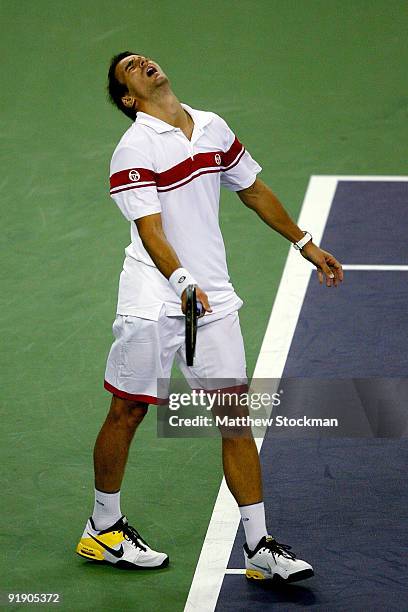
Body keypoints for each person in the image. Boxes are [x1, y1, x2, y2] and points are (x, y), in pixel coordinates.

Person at [76, 51, 343, 580]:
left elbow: (253, 189)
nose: (144, 63)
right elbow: (152, 231)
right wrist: (180, 281)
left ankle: (259, 546)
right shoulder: (134, 148)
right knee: (127, 410)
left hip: (212, 298)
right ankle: (103, 528)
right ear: (129, 99)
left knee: (234, 417)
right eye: (130, 67)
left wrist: (304, 242)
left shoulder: (213, 127)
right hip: (154, 297)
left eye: (143, 58)